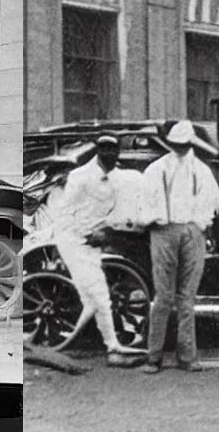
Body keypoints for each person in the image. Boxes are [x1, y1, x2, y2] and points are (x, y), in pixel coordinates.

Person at [48, 134, 147, 367]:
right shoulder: (80, 176)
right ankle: (112, 346)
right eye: (104, 150)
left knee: (91, 299)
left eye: (113, 150)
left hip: (92, 241)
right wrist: (84, 235)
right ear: (98, 152)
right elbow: (66, 212)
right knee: (100, 294)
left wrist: (106, 232)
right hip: (73, 240)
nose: (109, 154)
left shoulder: (118, 178)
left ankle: (66, 342)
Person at [140, 120, 219, 374]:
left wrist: (199, 224)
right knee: (163, 296)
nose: (179, 149)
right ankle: (154, 357)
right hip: (163, 230)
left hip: (192, 230)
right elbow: (146, 199)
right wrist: (157, 220)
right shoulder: (156, 169)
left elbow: (211, 201)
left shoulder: (201, 170)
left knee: (187, 298)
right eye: (175, 145)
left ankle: (187, 356)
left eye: (183, 145)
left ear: (190, 145)